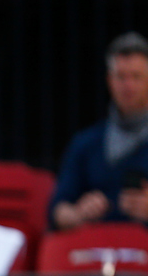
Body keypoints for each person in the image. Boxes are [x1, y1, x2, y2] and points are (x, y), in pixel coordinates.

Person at [50, 32, 148, 231]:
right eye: (121, 76)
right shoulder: (86, 143)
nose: (128, 85)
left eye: (136, 76)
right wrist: (78, 214)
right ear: (109, 80)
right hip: (94, 254)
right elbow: (57, 211)